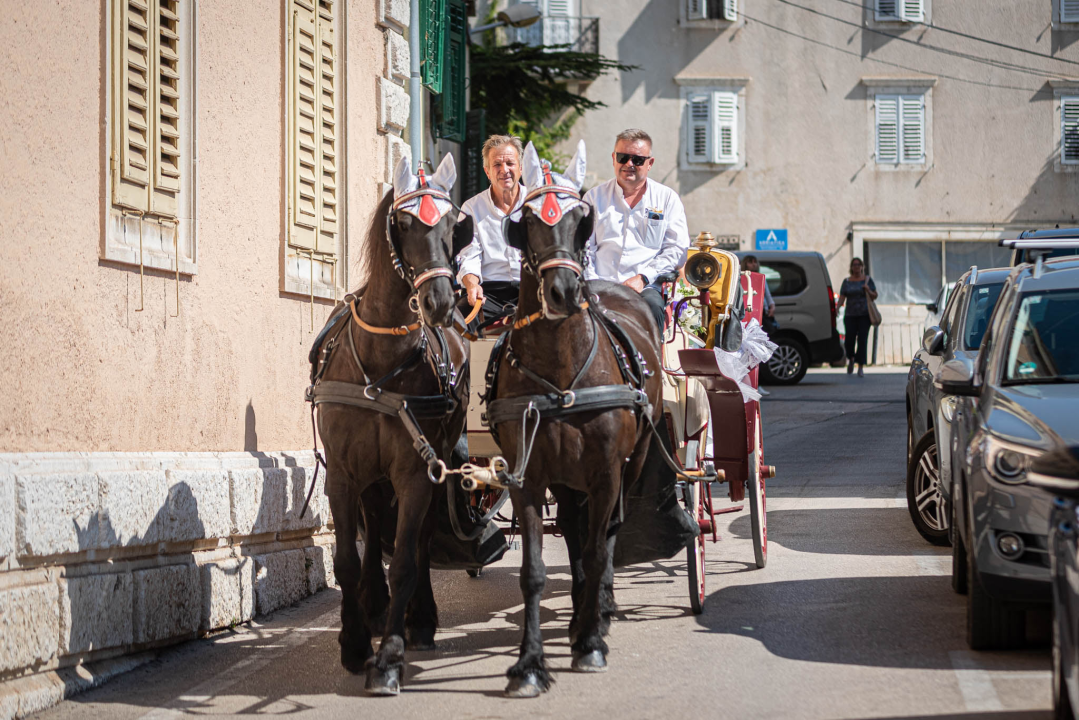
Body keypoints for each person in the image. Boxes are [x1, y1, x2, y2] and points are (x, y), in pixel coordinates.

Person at [584, 128, 690, 332]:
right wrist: (594, 284)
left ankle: (651, 364)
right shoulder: (593, 198)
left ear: (650, 163)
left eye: (638, 160)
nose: (629, 164)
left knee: (652, 308)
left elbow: (677, 250)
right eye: (623, 157)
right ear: (614, 158)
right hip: (599, 285)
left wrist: (643, 278)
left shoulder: (667, 199)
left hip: (646, 288)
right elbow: (583, 249)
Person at [456, 135, 526, 326]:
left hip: (532, 291)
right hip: (488, 293)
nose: (505, 170)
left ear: (521, 167)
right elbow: (469, 256)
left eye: (510, 163)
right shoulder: (471, 208)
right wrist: (472, 285)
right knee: (454, 323)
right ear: (487, 172)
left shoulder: (537, 205)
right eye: (497, 165)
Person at [836, 257, 877, 377]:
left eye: (858, 264)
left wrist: (868, 290)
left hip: (864, 315)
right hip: (850, 315)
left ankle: (860, 366)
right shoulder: (847, 281)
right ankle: (851, 358)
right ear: (851, 267)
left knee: (862, 340)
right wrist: (838, 308)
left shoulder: (867, 280)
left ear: (862, 266)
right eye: (854, 265)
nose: (856, 267)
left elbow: (875, 295)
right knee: (849, 340)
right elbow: (842, 296)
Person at [742, 255, 775, 326]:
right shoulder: (741, 277)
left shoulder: (761, 277)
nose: (754, 264)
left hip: (762, 310)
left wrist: (772, 306)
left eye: (755, 262)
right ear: (745, 264)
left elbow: (767, 295)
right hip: (747, 310)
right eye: (750, 262)